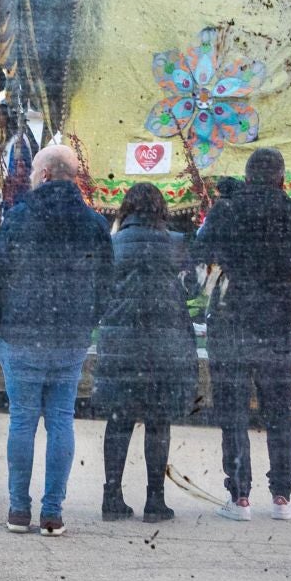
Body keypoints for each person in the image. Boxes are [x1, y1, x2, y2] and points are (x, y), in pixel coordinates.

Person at [193, 146, 291, 521]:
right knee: (279, 413)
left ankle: (240, 498)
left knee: (233, 411)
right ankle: (282, 496)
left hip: (230, 325)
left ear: (248, 177)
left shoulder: (226, 211)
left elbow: (198, 263)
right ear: (282, 179)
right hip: (275, 327)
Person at [0, 144, 111, 536]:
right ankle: (52, 512)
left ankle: (17, 509)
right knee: (61, 420)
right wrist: (86, 319)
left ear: (42, 176)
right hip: (69, 335)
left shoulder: (18, 219)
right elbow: (105, 283)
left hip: (21, 332)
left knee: (22, 420)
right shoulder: (93, 223)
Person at [93, 182, 196, 524]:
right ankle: (155, 500)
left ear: (127, 209)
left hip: (121, 348)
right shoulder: (175, 245)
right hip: (162, 349)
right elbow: (192, 288)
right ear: (160, 210)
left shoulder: (111, 246)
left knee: (119, 421)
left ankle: (111, 497)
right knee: (157, 421)